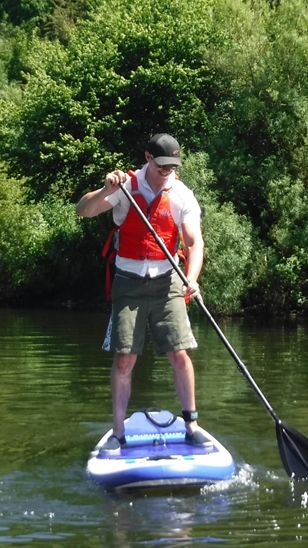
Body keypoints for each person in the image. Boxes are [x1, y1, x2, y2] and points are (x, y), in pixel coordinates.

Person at [76, 133, 209, 450]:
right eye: (162, 165)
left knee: (179, 353)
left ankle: (191, 425)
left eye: (172, 166)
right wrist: (105, 191)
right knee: (125, 359)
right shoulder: (125, 186)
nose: (167, 171)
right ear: (148, 158)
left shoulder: (182, 195)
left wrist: (191, 278)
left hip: (168, 282)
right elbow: (84, 210)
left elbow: (194, 243)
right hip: (129, 282)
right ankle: (118, 432)